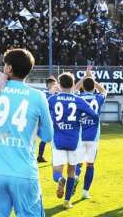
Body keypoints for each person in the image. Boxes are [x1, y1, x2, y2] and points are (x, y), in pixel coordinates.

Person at [0, 49, 53, 217]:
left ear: (9, 69)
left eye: (5, 64)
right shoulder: (38, 96)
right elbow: (48, 136)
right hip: (24, 173)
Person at [47, 72, 99, 209]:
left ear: (59, 84)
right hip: (74, 141)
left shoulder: (53, 100)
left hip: (58, 140)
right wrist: (80, 120)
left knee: (56, 171)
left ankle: (59, 179)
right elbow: (94, 116)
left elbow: (44, 114)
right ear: (72, 84)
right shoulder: (79, 100)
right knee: (72, 171)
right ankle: (67, 202)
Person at [73, 65, 107, 199]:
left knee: (78, 163)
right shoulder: (98, 98)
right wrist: (92, 79)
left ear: (83, 87)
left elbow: (74, 88)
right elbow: (103, 90)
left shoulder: (78, 97)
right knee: (90, 164)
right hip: (93, 137)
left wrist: (85, 77)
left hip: (80, 136)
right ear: (93, 87)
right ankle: (85, 192)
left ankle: (75, 177)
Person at [38, 77, 60, 163]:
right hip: (47, 119)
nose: (54, 85)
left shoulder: (57, 94)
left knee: (55, 138)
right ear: (48, 85)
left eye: (55, 83)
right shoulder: (44, 93)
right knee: (45, 138)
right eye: (52, 84)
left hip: (56, 119)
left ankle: (55, 157)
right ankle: (40, 156)